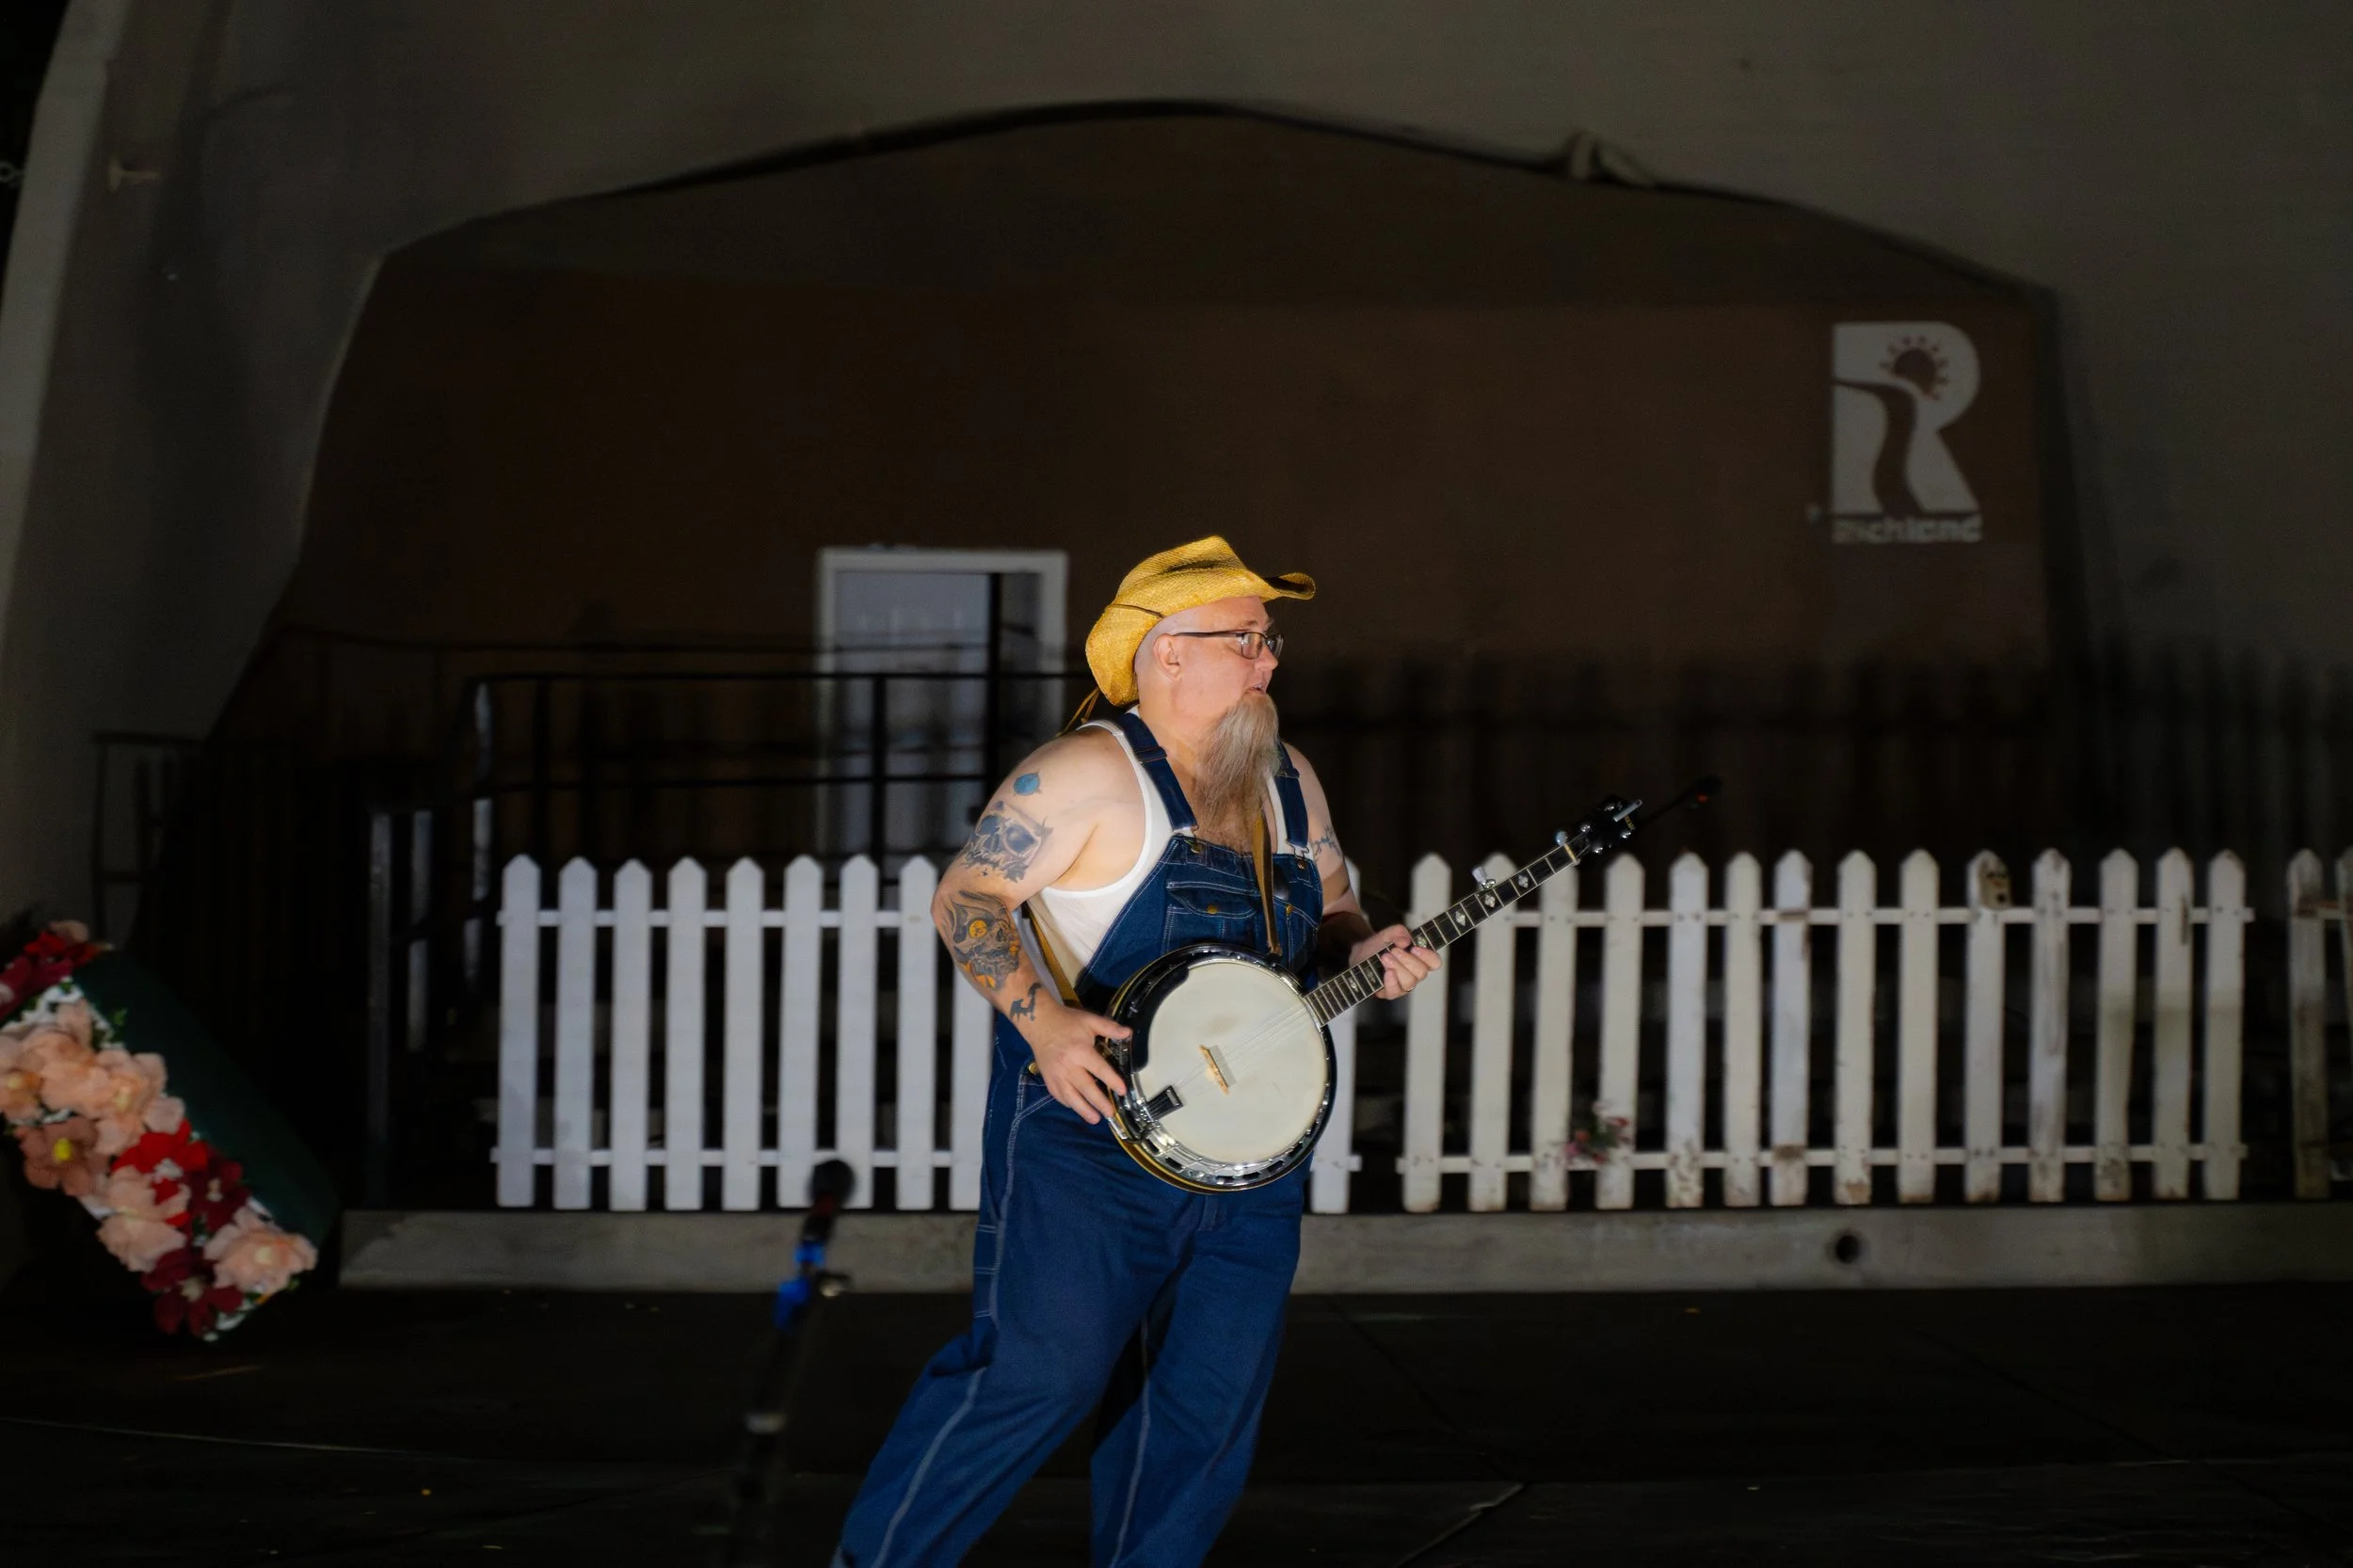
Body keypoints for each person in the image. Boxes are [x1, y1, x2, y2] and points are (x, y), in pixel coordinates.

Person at [833, 536, 1441, 1567]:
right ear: (1168, 652)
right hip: (1090, 1144)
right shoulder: (1084, 773)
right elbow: (968, 897)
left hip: (1252, 1160)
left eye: (1269, 640)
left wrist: (1363, 942)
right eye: (1245, 640)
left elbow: (1333, 902)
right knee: (1035, 1374)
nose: (1268, 661)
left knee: (1199, 1412)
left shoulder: (1289, 780)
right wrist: (1044, 1020)